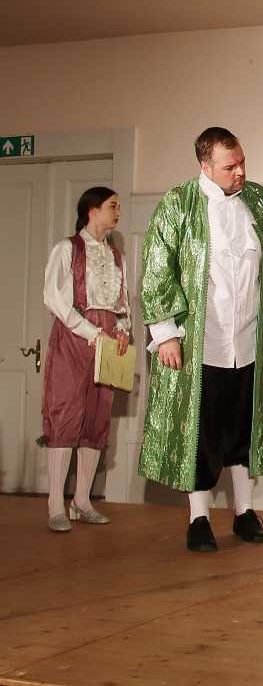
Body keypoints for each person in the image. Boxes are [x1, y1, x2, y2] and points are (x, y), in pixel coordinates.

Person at [139, 127, 263, 553]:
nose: (240, 172)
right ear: (205, 166)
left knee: (243, 427)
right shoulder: (178, 204)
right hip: (200, 342)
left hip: (248, 341)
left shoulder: (260, 202)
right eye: (230, 166)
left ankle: (245, 513)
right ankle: (199, 519)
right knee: (204, 432)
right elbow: (158, 269)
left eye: (242, 162)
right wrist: (165, 334)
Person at [40, 187, 131, 532]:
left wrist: (122, 328)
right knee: (65, 414)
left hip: (107, 340)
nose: (117, 212)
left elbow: (123, 302)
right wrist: (91, 331)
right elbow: (53, 297)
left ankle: (82, 500)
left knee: (97, 417)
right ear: (92, 210)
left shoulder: (117, 256)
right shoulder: (67, 249)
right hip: (74, 337)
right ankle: (55, 505)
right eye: (112, 206)